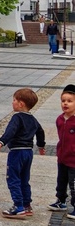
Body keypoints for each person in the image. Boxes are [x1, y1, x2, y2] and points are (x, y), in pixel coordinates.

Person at [0, 88, 45, 219]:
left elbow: (11, 131)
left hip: (17, 152)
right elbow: (40, 131)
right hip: (28, 153)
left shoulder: (17, 117)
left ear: (21, 103)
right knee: (24, 179)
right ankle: (27, 205)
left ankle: (18, 206)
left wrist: (1, 141)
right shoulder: (32, 119)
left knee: (13, 178)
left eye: (14, 100)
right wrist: (41, 145)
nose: (12, 102)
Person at [48, 84, 75, 217]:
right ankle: (61, 200)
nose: (65, 103)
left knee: (74, 184)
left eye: (69, 101)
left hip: (74, 159)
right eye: (63, 101)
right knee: (61, 181)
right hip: (63, 156)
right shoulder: (60, 119)